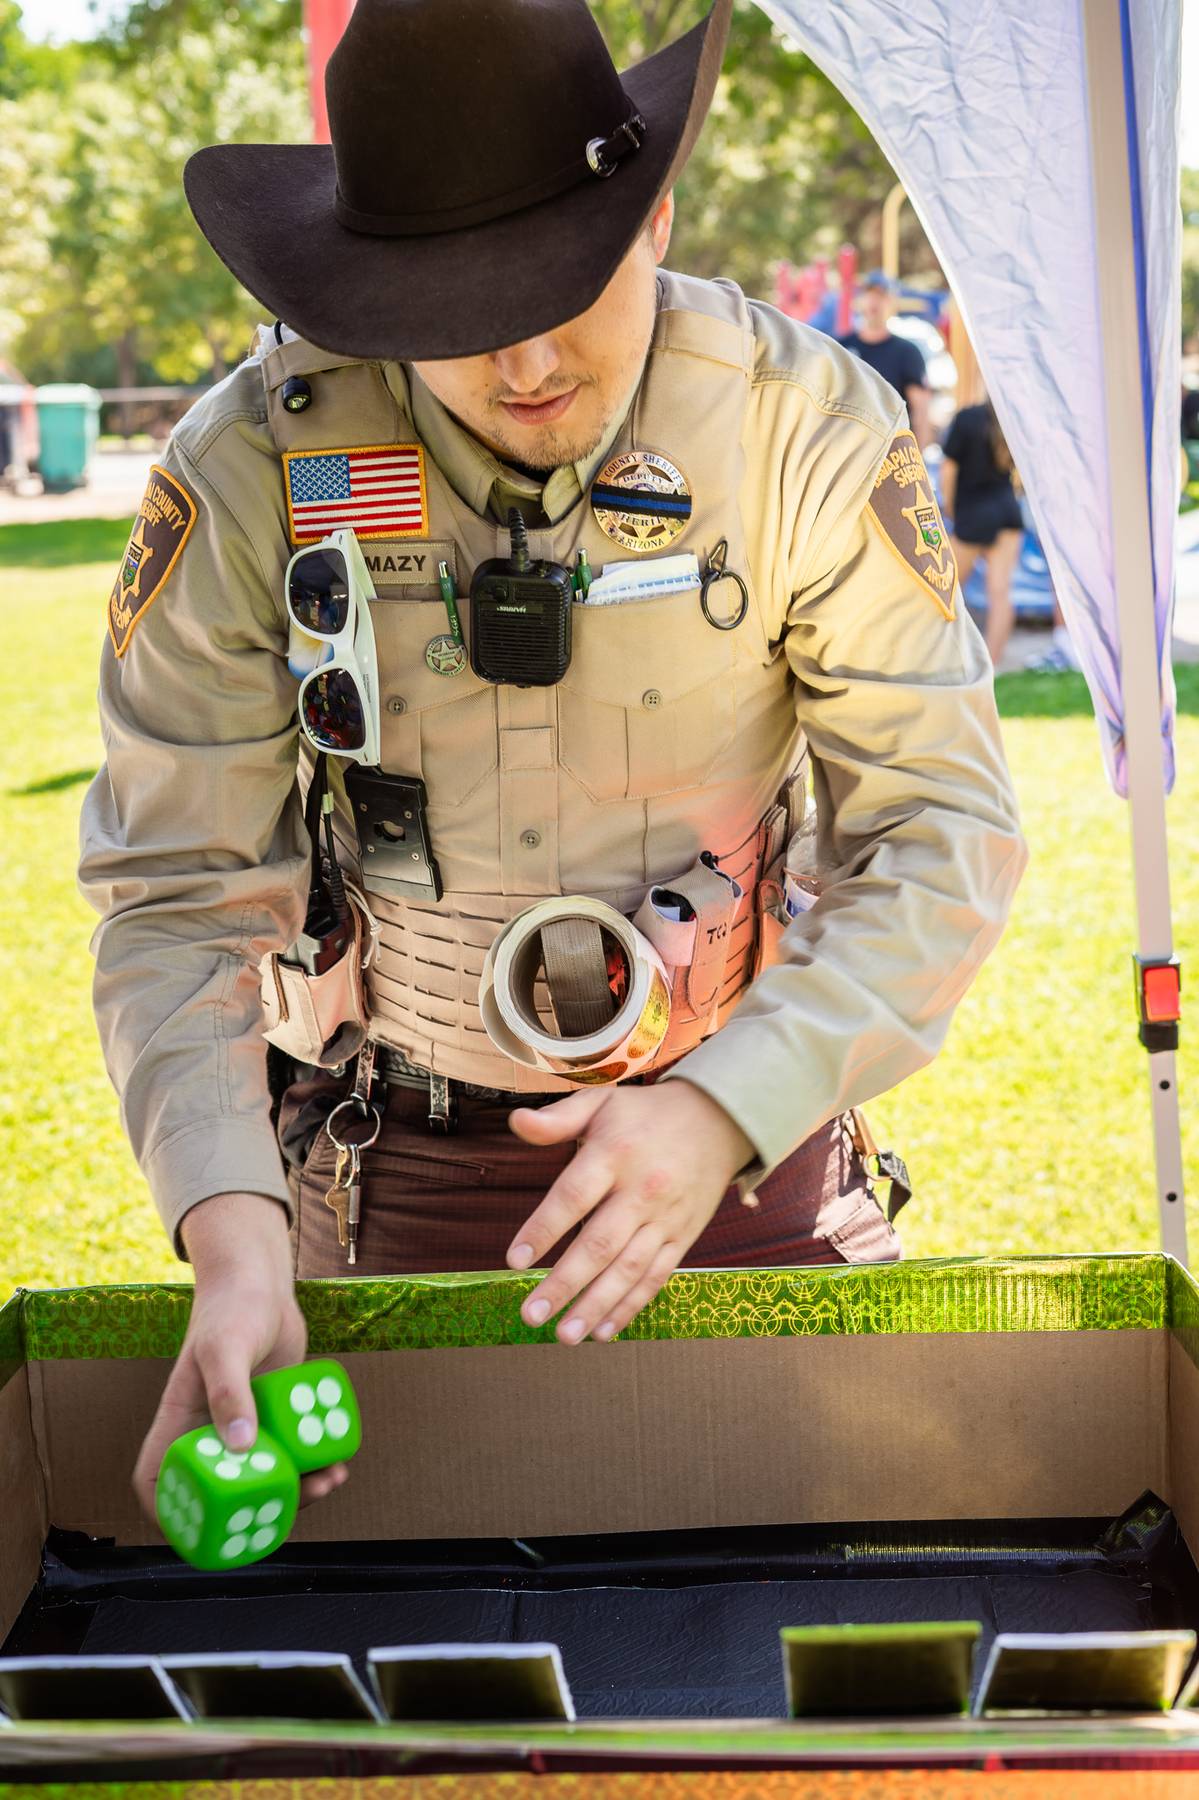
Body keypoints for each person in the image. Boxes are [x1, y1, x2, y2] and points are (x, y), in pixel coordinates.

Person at [77, 0, 1026, 1519]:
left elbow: (937, 829)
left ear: (655, 221)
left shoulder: (799, 433)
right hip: (387, 1167)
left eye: (562, 288)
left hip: (747, 1160)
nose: (521, 358)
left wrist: (724, 1108)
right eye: (453, 306)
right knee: (409, 1637)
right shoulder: (253, 466)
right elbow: (179, 893)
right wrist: (231, 1225)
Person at [940, 397, 1024, 668]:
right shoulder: (1013, 419)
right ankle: (992, 664)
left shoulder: (968, 417)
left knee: (945, 591)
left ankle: (941, 658)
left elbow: (948, 470)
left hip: (974, 514)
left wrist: (950, 509)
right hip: (1008, 511)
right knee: (1000, 593)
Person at [837, 271, 931, 450]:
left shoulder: (907, 352)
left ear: (891, 302)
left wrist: (918, 455)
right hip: (850, 450)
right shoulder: (842, 348)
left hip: (892, 451)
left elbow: (921, 412)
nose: (874, 301)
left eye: (881, 295)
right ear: (860, 300)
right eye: (869, 294)